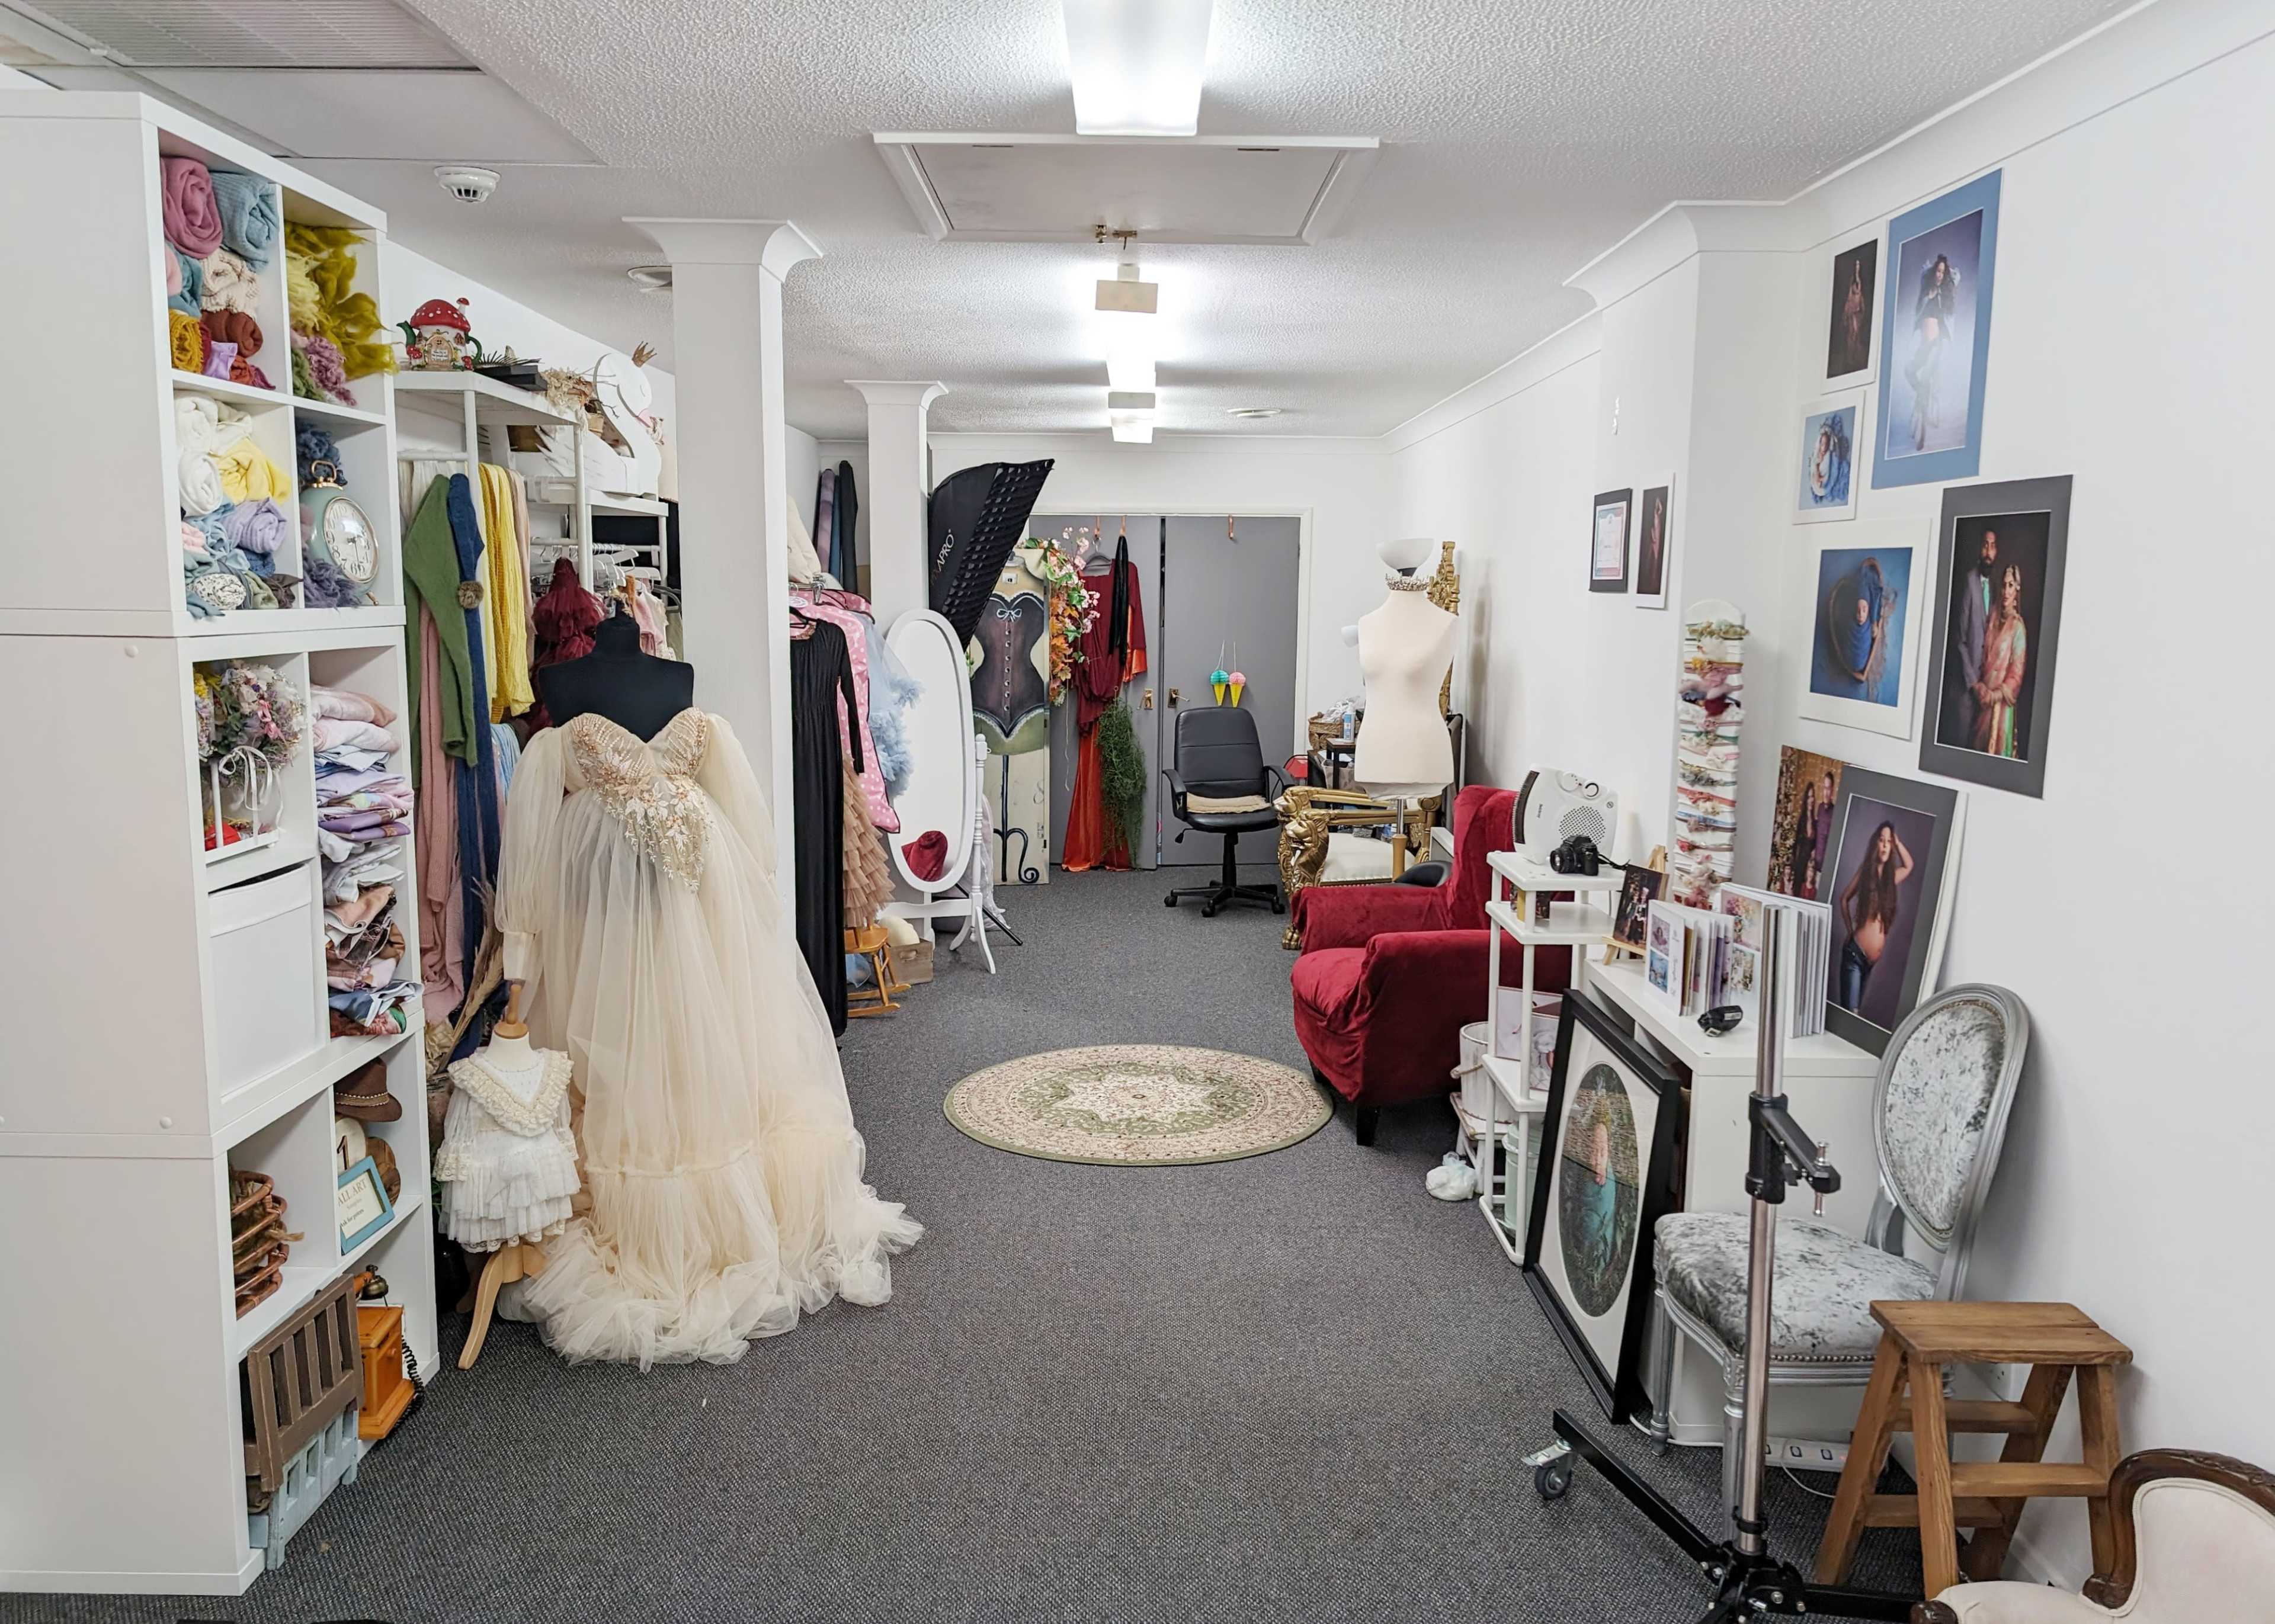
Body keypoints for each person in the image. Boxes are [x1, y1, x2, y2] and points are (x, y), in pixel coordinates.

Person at [1837, 821, 1915, 1014]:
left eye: (1889, 842)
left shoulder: (1891, 879)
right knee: (1851, 1013)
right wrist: (1849, 930)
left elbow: (1909, 865)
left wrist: (1897, 842)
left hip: (1869, 965)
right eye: (1882, 840)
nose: (1886, 845)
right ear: (1876, 844)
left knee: (1855, 1015)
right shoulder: (1866, 872)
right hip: (1855, 955)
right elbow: (1844, 899)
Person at [1971, 563, 2029, 758]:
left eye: (2011, 586)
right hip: (1982, 702)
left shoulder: (2018, 628)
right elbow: (1980, 654)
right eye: (2004, 585)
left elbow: (2016, 676)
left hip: (2000, 708)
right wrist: (1978, 686)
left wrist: (1993, 696)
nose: (2006, 591)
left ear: (2017, 589)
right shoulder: (1992, 618)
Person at [1948, 526, 1998, 745]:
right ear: (1980, 549)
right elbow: (1959, 640)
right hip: (1966, 686)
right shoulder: (1969, 581)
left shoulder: (1997, 586)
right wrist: (1974, 683)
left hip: (1988, 686)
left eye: (1993, 546)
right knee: (1959, 741)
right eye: (1985, 545)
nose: (1989, 551)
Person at [1906, 253, 1960, 448]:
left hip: (1938, 344)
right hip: (1923, 344)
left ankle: (1924, 421)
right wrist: (1926, 298)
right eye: (1938, 271)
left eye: (1942, 272)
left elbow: (1956, 278)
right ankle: (1923, 395)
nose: (1939, 275)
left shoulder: (1945, 298)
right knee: (1909, 371)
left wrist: (1947, 277)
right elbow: (1917, 313)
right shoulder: (1926, 292)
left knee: (1929, 374)